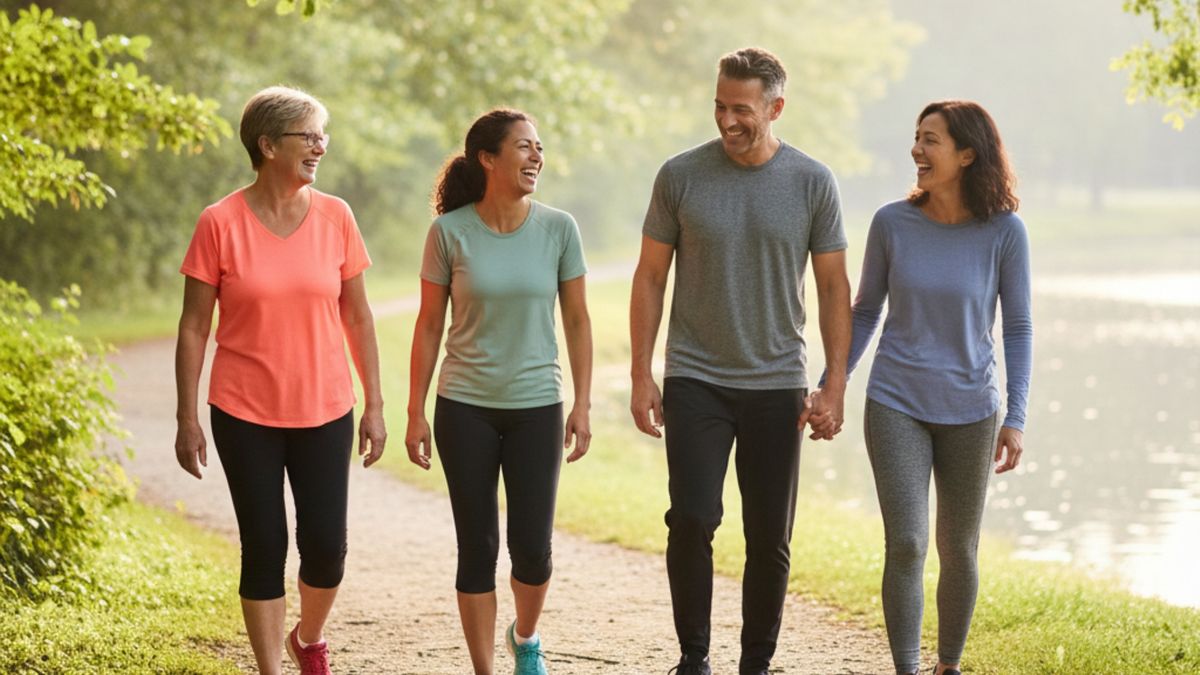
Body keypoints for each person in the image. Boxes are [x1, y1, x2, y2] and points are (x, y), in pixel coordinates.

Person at [629, 47, 852, 675]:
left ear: (776, 108)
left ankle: (756, 662)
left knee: (768, 537)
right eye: (720, 106)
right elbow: (650, 276)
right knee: (692, 518)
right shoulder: (680, 175)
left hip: (778, 378)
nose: (728, 120)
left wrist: (833, 384)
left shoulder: (812, 182)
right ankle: (693, 658)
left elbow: (835, 287)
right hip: (697, 375)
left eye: (743, 110)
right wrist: (642, 373)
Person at [174, 86, 386, 675]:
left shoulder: (337, 215)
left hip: (325, 405)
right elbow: (194, 327)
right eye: (308, 135)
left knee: (326, 549)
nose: (320, 145)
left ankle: (308, 637)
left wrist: (374, 404)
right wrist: (187, 417)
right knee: (264, 545)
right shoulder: (219, 222)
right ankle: (270, 667)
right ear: (267, 146)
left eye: (323, 134)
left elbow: (358, 315)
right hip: (243, 410)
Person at [815, 100, 1031, 675]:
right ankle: (907, 669)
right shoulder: (892, 222)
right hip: (896, 401)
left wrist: (1017, 416)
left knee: (958, 550)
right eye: (916, 137)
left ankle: (948, 666)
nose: (916, 150)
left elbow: (1019, 326)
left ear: (967, 153)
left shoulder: (1005, 231)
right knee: (907, 543)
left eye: (930, 140)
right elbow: (864, 313)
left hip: (972, 407)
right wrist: (831, 385)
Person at [405, 108, 593, 675]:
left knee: (533, 550)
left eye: (539, 147)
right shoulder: (448, 232)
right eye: (524, 147)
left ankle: (526, 636)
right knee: (478, 548)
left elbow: (579, 321)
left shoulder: (560, 228)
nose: (537, 156)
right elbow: (428, 326)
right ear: (488, 158)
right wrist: (415, 411)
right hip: (464, 406)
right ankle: (485, 668)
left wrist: (582, 404)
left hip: (538, 404)